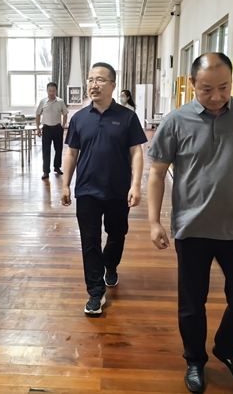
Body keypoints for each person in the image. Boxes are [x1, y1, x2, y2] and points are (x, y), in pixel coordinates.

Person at [146, 53, 233, 393]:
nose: (217, 96)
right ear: (192, 83)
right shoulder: (175, 121)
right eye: (207, 89)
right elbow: (157, 174)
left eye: (224, 87)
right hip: (192, 228)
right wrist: (154, 221)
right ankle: (195, 360)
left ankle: (227, 349)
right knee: (192, 304)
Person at [61, 62, 147, 315]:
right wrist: (65, 185)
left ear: (112, 85)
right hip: (87, 190)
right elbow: (71, 153)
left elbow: (136, 152)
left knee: (117, 233)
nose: (93, 85)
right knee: (89, 241)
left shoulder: (127, 117)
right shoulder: (79, 118)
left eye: (99, 80)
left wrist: (136, 185)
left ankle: (110, 264)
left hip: (118, 190)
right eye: (90, 80)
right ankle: (95, 292)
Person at [35, 82, 69, 180]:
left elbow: (65, 114)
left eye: (53, 91)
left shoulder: (60, 101)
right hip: (46, 129)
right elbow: (38, 114)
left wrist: (63, 125)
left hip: (57, 128)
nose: (51, 93)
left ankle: (57, 167)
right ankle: (46, 171)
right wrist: (38, 128)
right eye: (49, 91)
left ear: (56, 91)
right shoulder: (43, 101)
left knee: (58, 149)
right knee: (46, 151)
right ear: (47, 90)